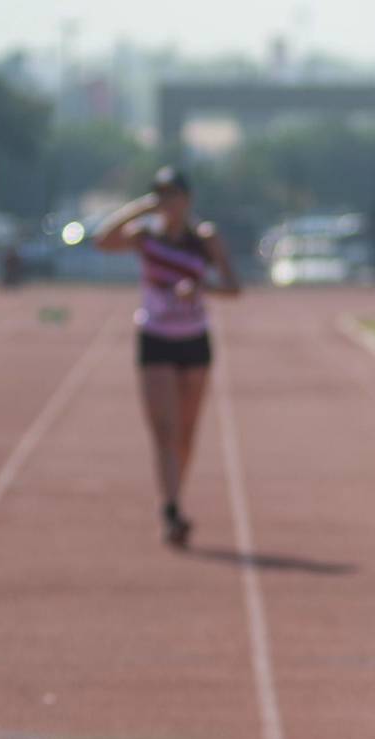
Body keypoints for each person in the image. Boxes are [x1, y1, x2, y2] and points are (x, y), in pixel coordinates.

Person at [94, 167, 241, 548]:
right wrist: (140, 208)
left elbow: (233, 288)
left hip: (193, 340)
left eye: (173, 195)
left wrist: (201, 287)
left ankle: (175, 494)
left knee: (186, 434)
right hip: (155, 337)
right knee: (164, 430)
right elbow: (102, 240)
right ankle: (171, 508)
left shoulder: (204, 239)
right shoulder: (145, 236)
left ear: (187, 199)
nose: (167, 202)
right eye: (160, 195)